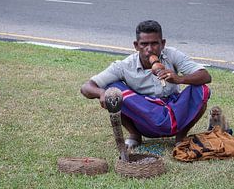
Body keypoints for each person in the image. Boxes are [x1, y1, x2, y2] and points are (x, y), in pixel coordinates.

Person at [80, 20, 211, 148]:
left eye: (155, 43)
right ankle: (134, 135)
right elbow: (86, 87)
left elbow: (205, 76)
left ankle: (181, 136)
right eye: (144, 44)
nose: (149, 49)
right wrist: (102, 93)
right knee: (113, 91)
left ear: (163, 43)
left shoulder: (172, 55)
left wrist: (179, 79)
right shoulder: (124, 65)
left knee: (201, 89)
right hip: (144, 114)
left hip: (174, 107)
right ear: (136, 45)